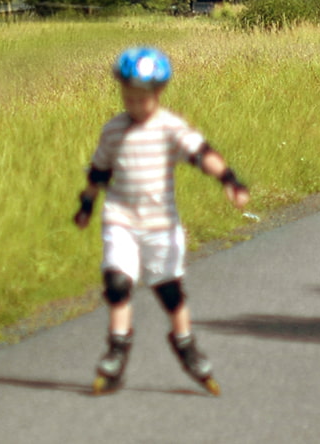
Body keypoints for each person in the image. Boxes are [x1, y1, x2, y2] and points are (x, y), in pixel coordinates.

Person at [74, 46, 250, 395]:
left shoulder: (169, 126)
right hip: (120, 217)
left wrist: (229, 180)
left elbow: (201, 154)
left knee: (168, 290)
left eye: (143, 99)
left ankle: (185, 344)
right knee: (117, 282)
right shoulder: (114, 129)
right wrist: (87, 205)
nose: (136, 106)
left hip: (161, 224)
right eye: (129, 97)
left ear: (158, 94)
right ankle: (117, 348)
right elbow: (99, 171)